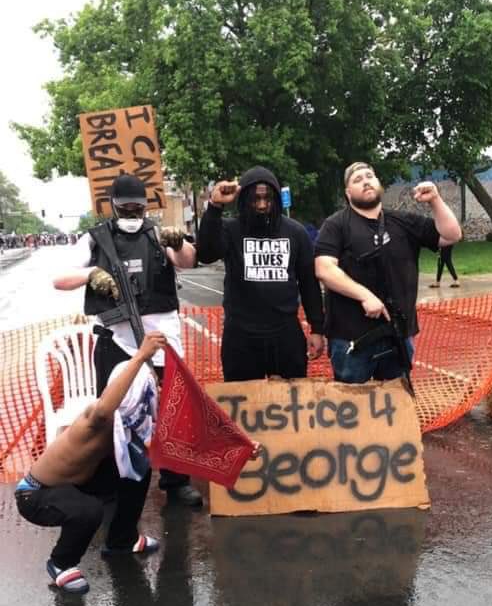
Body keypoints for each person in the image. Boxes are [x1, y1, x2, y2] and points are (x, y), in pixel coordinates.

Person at [53, 174, 202, 506]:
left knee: (172, 410)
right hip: (116, 340)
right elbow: (59, 278)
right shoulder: (95, 239)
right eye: (127, 208)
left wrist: (178, 243)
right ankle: (107, 480)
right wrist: (90, 274)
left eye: (139, 207)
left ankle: (176, 481)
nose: (134, 214)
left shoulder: (157, 234)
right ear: (114, 206)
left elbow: (187, 262)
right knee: (108, 414)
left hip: (162, 338)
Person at [14, 332, 166, 595]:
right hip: (36, 495)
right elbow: (106, 408)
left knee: (138, 470)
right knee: (90, 510)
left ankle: (122, 540)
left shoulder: (129, 425)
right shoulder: (94, 418)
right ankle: (61, 563)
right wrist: (141, 356)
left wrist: (246, 448)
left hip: (77, 483)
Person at [314, 162, 462, 383]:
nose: (365, 181)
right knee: (354, 409)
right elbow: (324, 268)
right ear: (348, 192)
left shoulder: (403, 221)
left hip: (398, 334)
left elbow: (451, 235)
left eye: (369, 176)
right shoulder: (335, 225)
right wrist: (365, 295)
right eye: (357, 180)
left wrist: (435, 200)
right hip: (351, 338)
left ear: (378, 183)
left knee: (397, 407)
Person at [197, 166, 325, 380]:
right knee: (243, 407)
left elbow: (308, 283)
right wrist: (215, 206)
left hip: (285, 333)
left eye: (268, 199)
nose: (262, 205)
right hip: (241, 336)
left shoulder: (295, 232)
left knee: (291, 403)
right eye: (255, 199)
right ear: (244, 200)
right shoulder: (230, 229)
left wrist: (317, 328)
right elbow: (207, 253)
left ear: (276, 198)